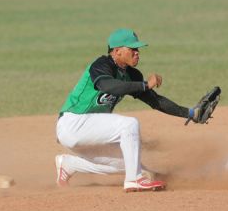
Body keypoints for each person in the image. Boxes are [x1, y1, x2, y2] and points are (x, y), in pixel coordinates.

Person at [55, 28, 202, 192]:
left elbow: (156, 102)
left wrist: (191, 113)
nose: (137, 52)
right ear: (117, 51)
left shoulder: (132, 75)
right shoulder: (101, 65)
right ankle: (134, 180)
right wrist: (145, 84)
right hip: (73, 122)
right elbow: (108, 86)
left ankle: (69, 164)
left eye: (138, 49)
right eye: (133, 49)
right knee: (129, 124)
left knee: (130, 163)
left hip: (90, 132)